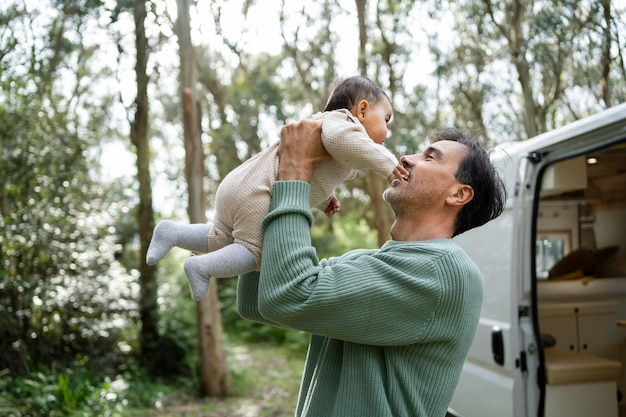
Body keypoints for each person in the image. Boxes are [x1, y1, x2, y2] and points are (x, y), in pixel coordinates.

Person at [236, 120, 506, 417]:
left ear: (458, 194)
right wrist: (269, 181)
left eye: (429, 157)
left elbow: (290, 294)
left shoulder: (444, 272)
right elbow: (258, 302)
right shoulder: (370, 261)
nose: (406, 158)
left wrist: (295, 173)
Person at [146, 76, 409, 300]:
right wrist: (386, 162)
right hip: (261, 190)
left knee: (222, 238)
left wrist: (323, 199)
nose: (387, 131)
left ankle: (173, 232)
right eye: (386, 119)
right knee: (255, 250)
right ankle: (201, 267)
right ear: (362, 110)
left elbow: (313, 175)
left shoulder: (330, 129)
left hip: (243, 184)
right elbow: (344, 143)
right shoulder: (342, 122)